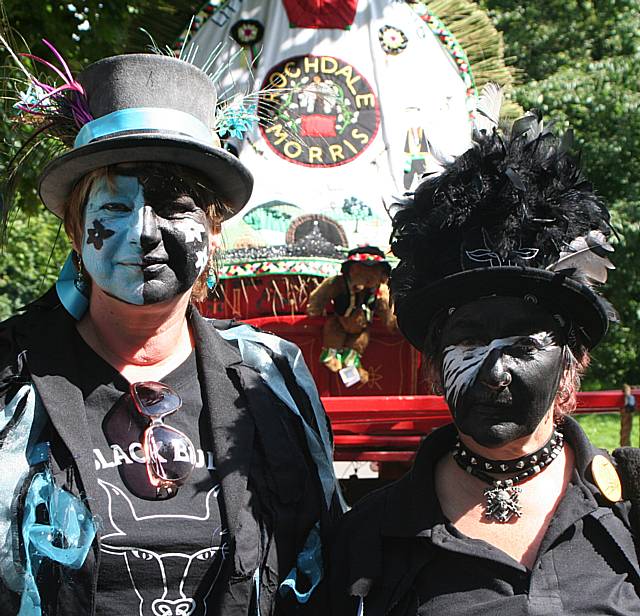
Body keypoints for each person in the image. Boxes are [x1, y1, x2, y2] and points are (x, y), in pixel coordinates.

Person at [0, 50, 342, 615]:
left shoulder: (271, 377)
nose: (145, 233)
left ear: (212, 230)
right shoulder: (10, 382)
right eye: (115, 205)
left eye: (175, 208)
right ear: (74, 229)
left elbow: (324, 559)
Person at [329, 98, 640, 614]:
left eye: (523, 344)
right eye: (469, 343)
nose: (494, 375)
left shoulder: (628, 508)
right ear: (432, 363)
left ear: (570, 361)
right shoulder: (369, 537)